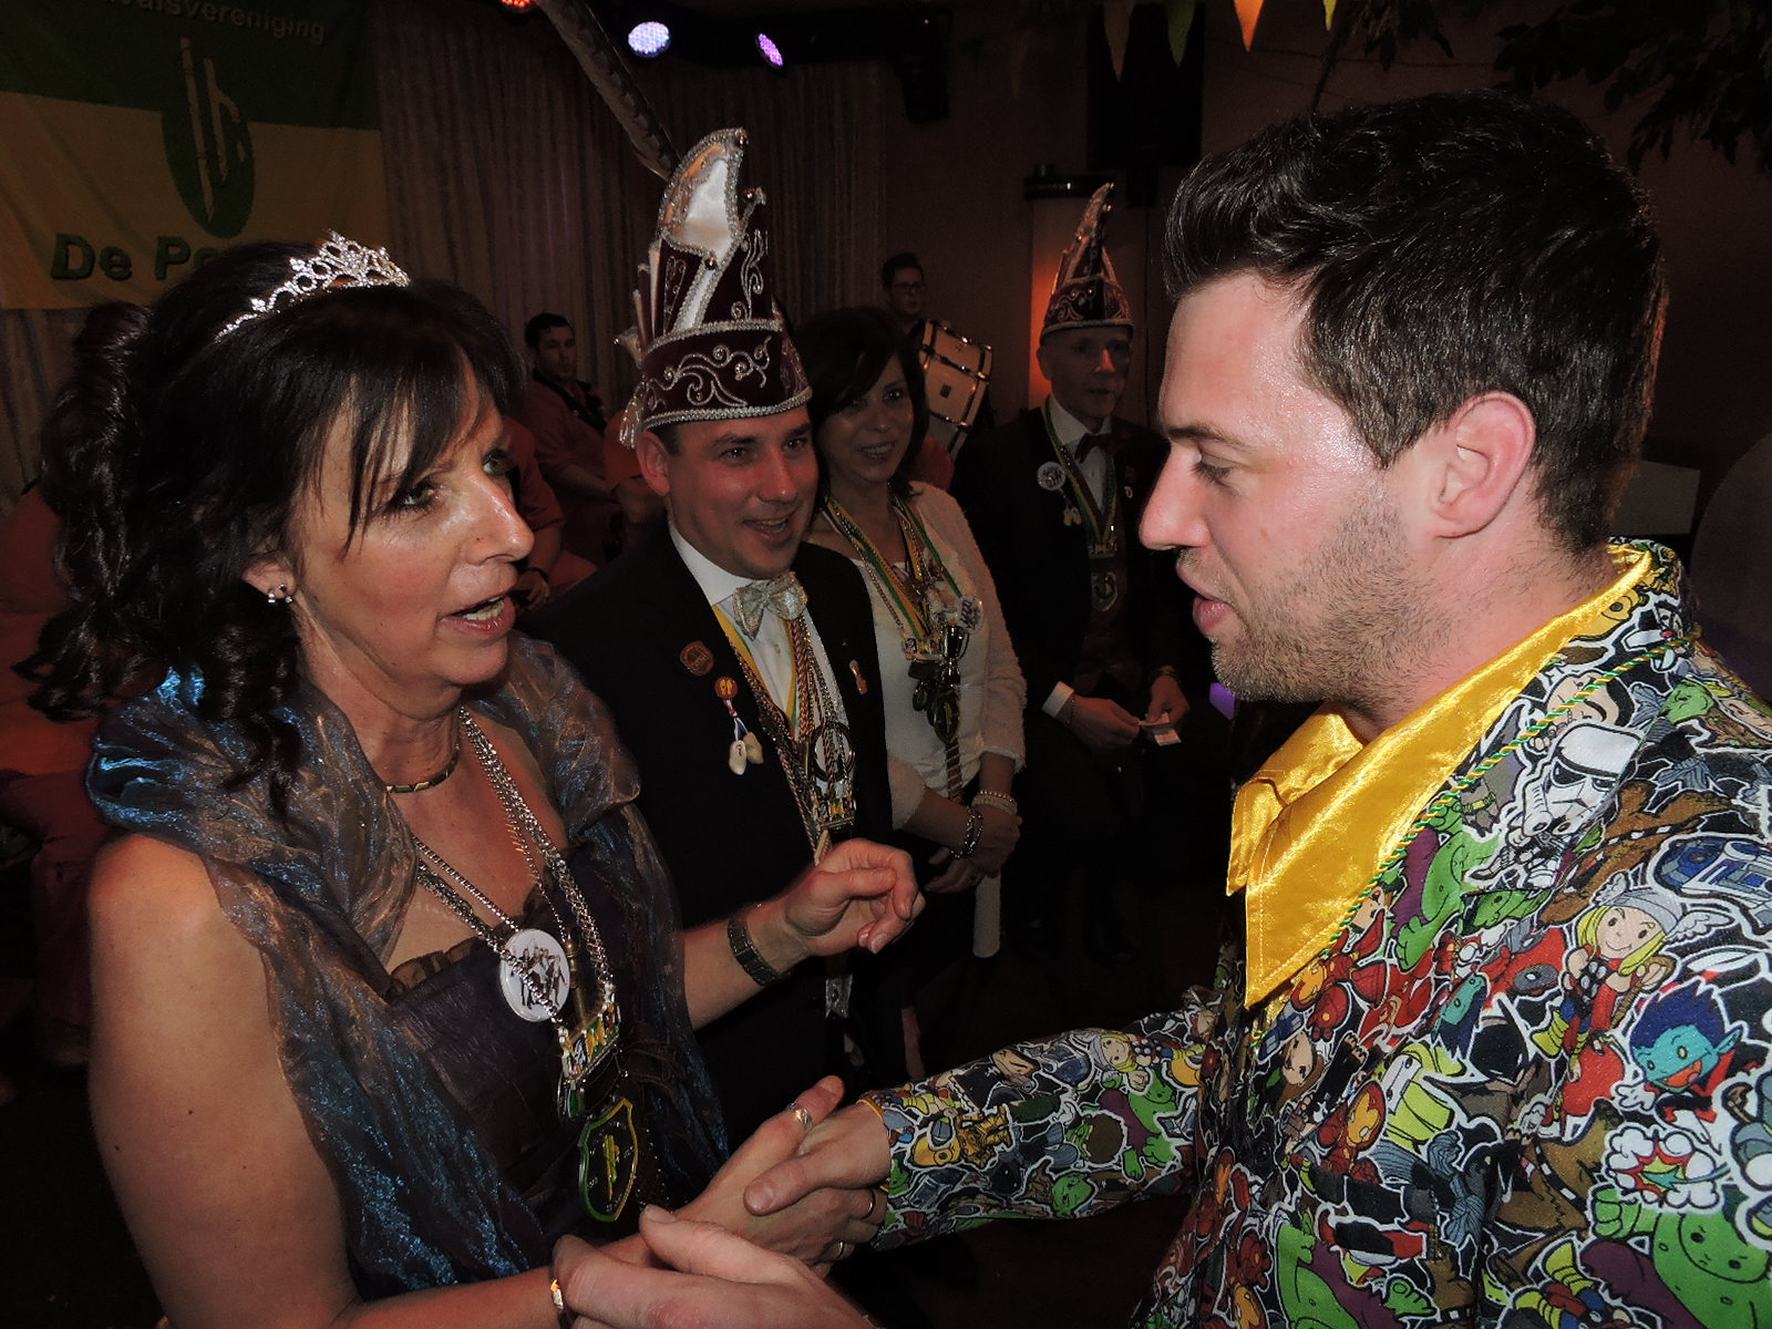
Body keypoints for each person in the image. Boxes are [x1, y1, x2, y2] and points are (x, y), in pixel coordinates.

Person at [733, 90, 1772, 1328]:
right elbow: (1237, 1078)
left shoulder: (1712, 958)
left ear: (1465, 468)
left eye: (1216, 462)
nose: (1161, 518)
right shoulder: (1386, 745)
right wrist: (898, 1150)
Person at [24, 233, 914, 1324]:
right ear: (260, 547)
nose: (510, 530)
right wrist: (663, 1272)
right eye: (415, 495)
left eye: (492, 466)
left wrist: (780, 929)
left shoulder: (516, 714)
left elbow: (591, 1018)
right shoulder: (188, 904)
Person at [531, 130, 903, 1138]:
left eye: (795, 443)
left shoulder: (835, 586)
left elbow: (856, 803)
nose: (784, 486)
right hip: (704, 1096)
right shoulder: (574, 650)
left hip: (850, 1063)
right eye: (738, 452)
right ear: (656, 465)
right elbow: (593, 953)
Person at [951, 183, 1214, 965]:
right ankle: (1066, 957)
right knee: (1079, 814)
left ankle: (1166, 960)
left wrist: (1168, 671)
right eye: (1085, 348)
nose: (1107, 367)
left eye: (1119, 349)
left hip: (1135, 684)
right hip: (1042, 692)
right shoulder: (996, 462)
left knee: (1207, 777)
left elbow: (1167, 586)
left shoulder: (1149, 453)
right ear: (1044, 358)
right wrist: (1066, 704)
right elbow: (985, 614)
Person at [799, 305, 1026, 1072]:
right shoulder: (802, 553)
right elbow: (836, 736)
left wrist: (994, 802)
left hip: (981, 824)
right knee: (896, 1067)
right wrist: (954, 825)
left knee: (965, 1032)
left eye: (894, 396)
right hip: (884, 842)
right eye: (852, 403)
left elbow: (999, 666)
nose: (880, 423)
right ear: (812, 417)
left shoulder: (939, 511)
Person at [514, 311, 618, 563]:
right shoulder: (537, 401)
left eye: (569, 345)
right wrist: (614, 492)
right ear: (534, 354)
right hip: (578, 509)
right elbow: (557, 469)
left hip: (607, 493)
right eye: (552, 346)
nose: (564, 355)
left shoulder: (585, 393)